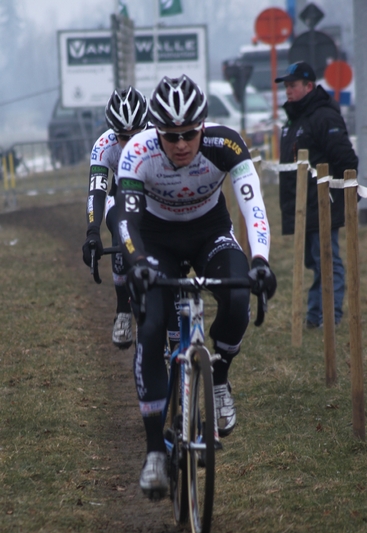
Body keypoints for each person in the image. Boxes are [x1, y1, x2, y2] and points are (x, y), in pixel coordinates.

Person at [114, 74, 277, 499]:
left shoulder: (226, 145)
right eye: (171, 135)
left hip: (210, 234)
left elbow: (253, 205)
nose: (182, 143)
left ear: (203, 126)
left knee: (238, 294)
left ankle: (218, 376)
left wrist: (260, 261)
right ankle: (154, 452)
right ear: (156, 132)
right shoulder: (138, 152)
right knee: (150, 329)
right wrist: (135, 262)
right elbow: (126, 220)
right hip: (156, 241)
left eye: (190, 133)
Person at [275, 61, 358, 328]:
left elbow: (346, 159)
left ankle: (329, 317)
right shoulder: (293, 118)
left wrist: (343, 196)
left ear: (309, 86)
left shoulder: (324, 117)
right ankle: (314, 315)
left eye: (293, 85)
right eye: (286, 86)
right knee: (314, 261)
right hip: (303, 206)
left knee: (327, 260)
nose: (288, 91)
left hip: (322, 203)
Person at [82, 87, 149, 348]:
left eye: (137, 134)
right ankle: (123, 309)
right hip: (120, 196)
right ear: (113, 132)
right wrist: (92, 231)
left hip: (154, 196)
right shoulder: (104, 145)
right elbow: (96, 191)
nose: (131, 142)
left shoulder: (160, 135)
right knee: (122, 231)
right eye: (123, 136)